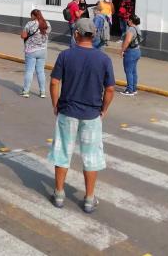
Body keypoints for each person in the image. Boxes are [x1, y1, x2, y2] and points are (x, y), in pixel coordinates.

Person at [48, 18, 115, 214]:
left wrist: (55, 104)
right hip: (92, 114)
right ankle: (89, 198)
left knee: (62, 152)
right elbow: (110, 89)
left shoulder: (66, 55)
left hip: (67, 111)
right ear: (93, 35)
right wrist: (104, 108)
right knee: (91, 156)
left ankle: (59, 194)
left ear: (76, 34)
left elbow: (54, 83)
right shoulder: (103, 59)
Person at [21, 9, 51, 98]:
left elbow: (23, 36)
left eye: (31, 16)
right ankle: (42, 92)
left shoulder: (30, 24)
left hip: (31, 51)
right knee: (41, 71)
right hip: (42, 51)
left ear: (33, 15)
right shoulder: (47, 24)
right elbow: (47, 33)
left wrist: (24, 35)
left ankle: (26, 91)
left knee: (29, 71)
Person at [119, 14, 142, 96]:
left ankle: (129, 90)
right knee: (133, 71)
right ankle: (134, 88)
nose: (127, 21)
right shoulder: (137, 28)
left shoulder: (131, 29)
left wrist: (122, 50)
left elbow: (127, 41)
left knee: (128, 71)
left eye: (128, 19)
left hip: (130, 52)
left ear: (131, 21)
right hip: (137, 51)